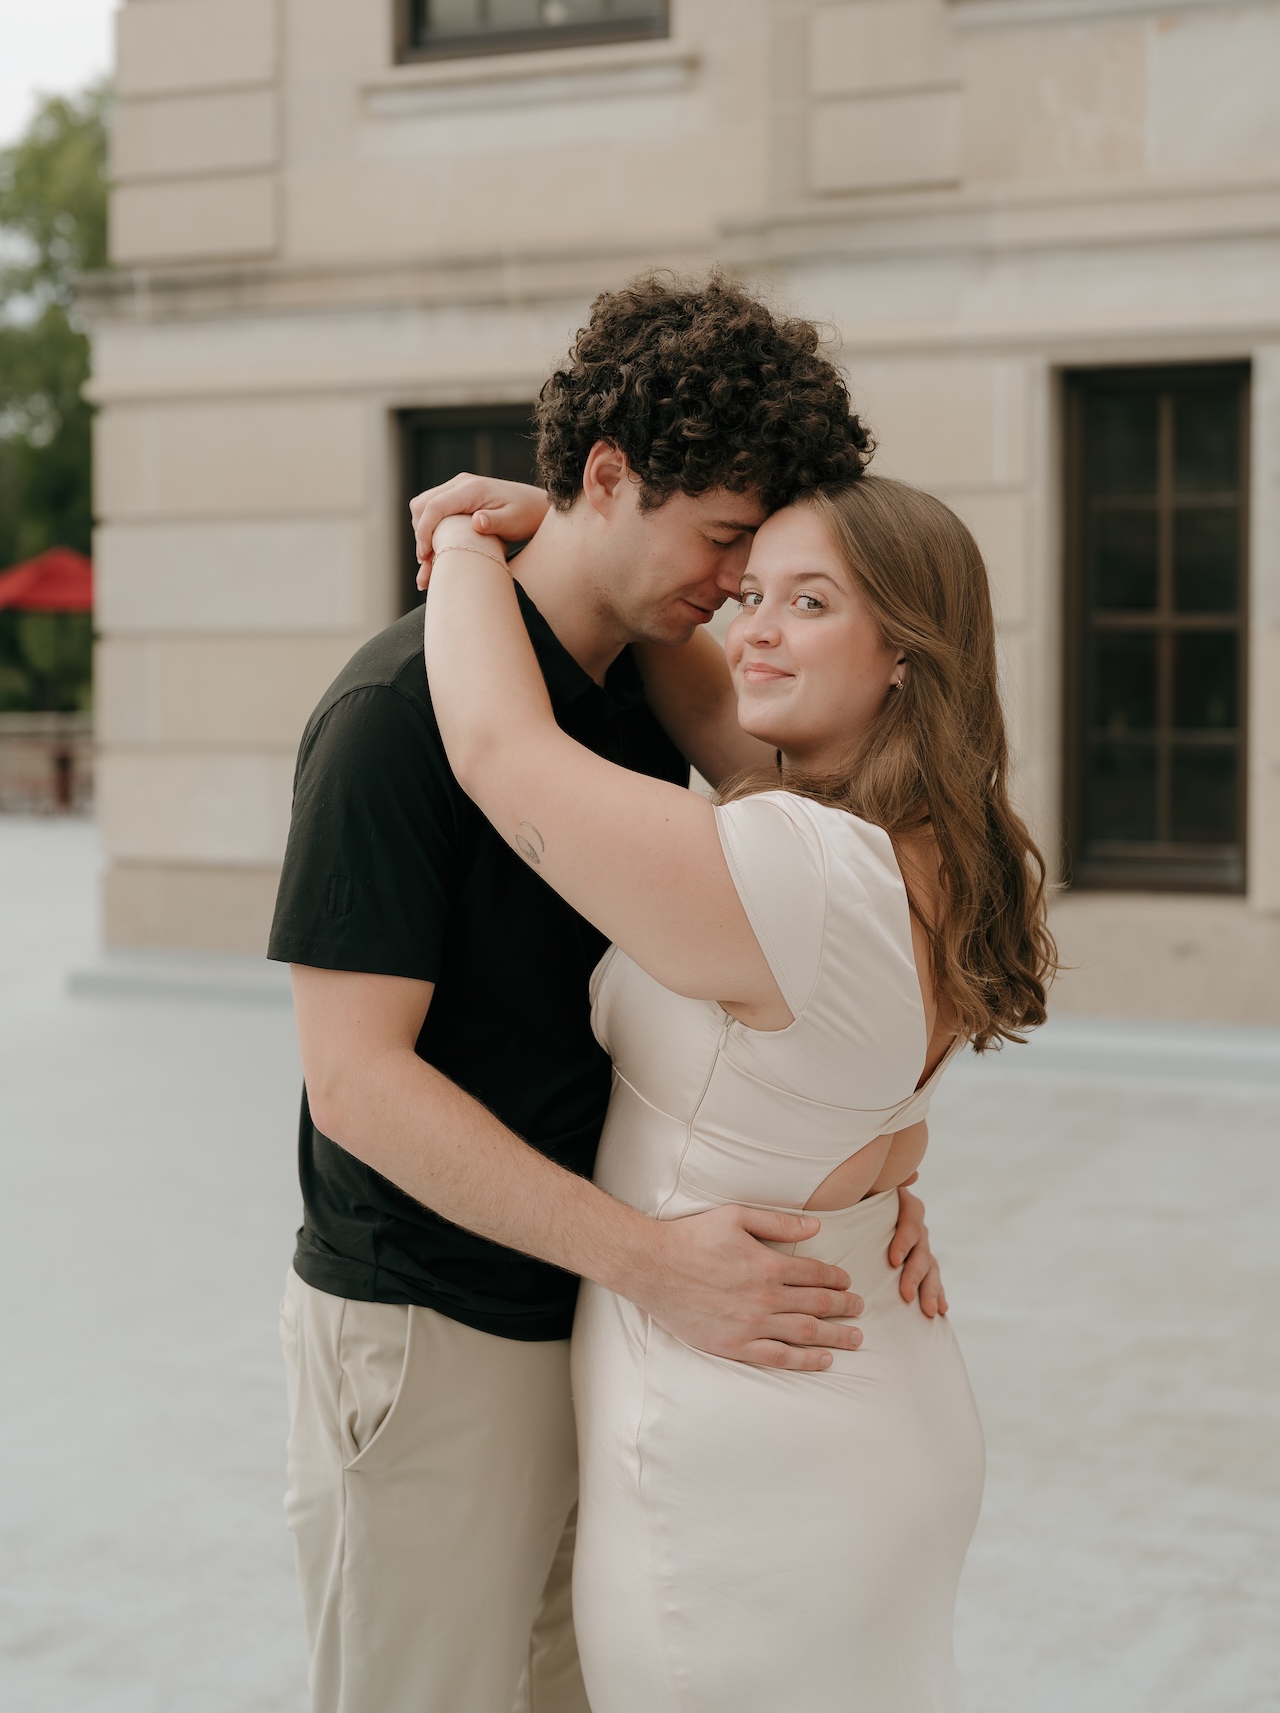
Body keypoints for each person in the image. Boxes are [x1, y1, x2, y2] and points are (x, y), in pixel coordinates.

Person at [268, 274, 947, 1713]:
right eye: (721, 545)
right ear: (605, 474)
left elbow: (827, 952)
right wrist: (651, 1260)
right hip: (440, 1321)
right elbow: (358, 1083)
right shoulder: (391, 720)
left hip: (610, 1322)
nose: (735, 592)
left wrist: (870, 1166)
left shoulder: (660, 691)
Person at [419, 470, 1057, 1712]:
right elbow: (706, 680)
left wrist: (463, 537)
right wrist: (884, 1175)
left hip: (742, 1449)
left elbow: (498, 748)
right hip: (868, 1391)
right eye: (746, 589)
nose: (748, 628)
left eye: (807, 602)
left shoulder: (795, 867)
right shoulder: (935, 842)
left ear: (903, 661)